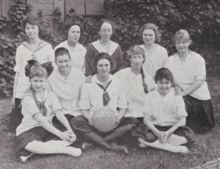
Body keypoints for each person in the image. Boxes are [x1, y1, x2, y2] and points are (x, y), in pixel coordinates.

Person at [70, 53, 138, 153]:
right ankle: (111, 146)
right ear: (96, 67)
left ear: (111, 65)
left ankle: (94, 143)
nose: (104, 68)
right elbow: (84, 108)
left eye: (106, 65)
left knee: (133, 121)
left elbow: (123, 106)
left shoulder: (117, 82)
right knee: (75, 121)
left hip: (113, 122)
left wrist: (118, 119)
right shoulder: (89, 84)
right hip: (94, 122)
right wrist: (89, 118)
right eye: (100, 65)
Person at [15, 60, 81, 162]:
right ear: (30, 81)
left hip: (47, 128)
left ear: (45, 80)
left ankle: (39, 151)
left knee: (70, 136)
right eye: (35, 81)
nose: (38, 84)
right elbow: (41, 120)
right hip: (30, 129)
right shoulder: (27, 97)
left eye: (41, 81)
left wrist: (70, 130)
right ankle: (63, 150)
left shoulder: (50, 94)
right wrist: (61, 135)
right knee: (27, 143)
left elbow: (59, 113)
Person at [132, 68, 194, 153]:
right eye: (161, 82)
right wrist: (157, 133)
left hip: (172, 129)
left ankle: (154, 143)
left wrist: (168, 133)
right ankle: (175, 149)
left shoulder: (177, 96)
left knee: (187, 136)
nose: (164, 86)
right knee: (139, 134)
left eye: (167, 83)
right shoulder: (150, 95)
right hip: (155, 128)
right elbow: (146, 120)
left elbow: (182, 121)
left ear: (171, 83)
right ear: (156, 82)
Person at [9, 16, 54, 132]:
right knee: (15, 128)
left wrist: (50, 91)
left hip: (40, 86)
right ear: (25, 30)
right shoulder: (21, 48)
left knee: (41, 121)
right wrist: (14, 95)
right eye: (27, 28)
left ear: (38, 29)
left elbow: (51, 72)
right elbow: (18, 72)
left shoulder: (47, 47)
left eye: (33, 27)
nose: (30, 31)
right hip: (23, 87)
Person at [165, 29, 215, 133]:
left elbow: (199, 81)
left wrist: (184, 93)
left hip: (198, 96)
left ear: (189, 42)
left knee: (200, 128)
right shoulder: (170, 60)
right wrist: (180, 92)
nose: (180, 45)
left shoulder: (198, 59)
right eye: (178, 43)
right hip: (180, 93)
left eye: (183, 42)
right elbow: (170, 79)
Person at [115, 45, 156, 122]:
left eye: (139, 57)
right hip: (125, 114)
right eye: (134, 57)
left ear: (143, 59)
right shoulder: (120, 75)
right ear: (130, 58)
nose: (137, 60)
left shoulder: (148, 78)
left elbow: (153, 99)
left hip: (142, 115)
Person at [47, 47, 86, 128]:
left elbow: (86, 95)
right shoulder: (51, 78)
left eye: (66, 61)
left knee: (77, 124)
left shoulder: (78, 74)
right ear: (55, 62)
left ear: (70, 60)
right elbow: (49, 100)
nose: (64, 64)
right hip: (60, 113)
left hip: (78, 111)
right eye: (60, 62)